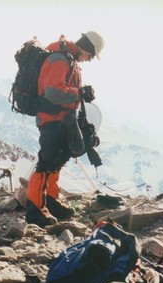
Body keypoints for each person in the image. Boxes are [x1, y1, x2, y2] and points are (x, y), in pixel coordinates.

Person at [26, 31, 105, 227]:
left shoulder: (69, 60)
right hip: (51, 120)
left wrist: (80, 93)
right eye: (91, 55)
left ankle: (51, 201)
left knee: (57, 161)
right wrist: (79, 92)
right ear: (86, 48)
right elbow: (53, 93)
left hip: (62, 120)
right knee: (46, 163)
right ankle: (36, 210)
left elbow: (62, 89)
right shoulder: (59, 60)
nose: (89, 60)